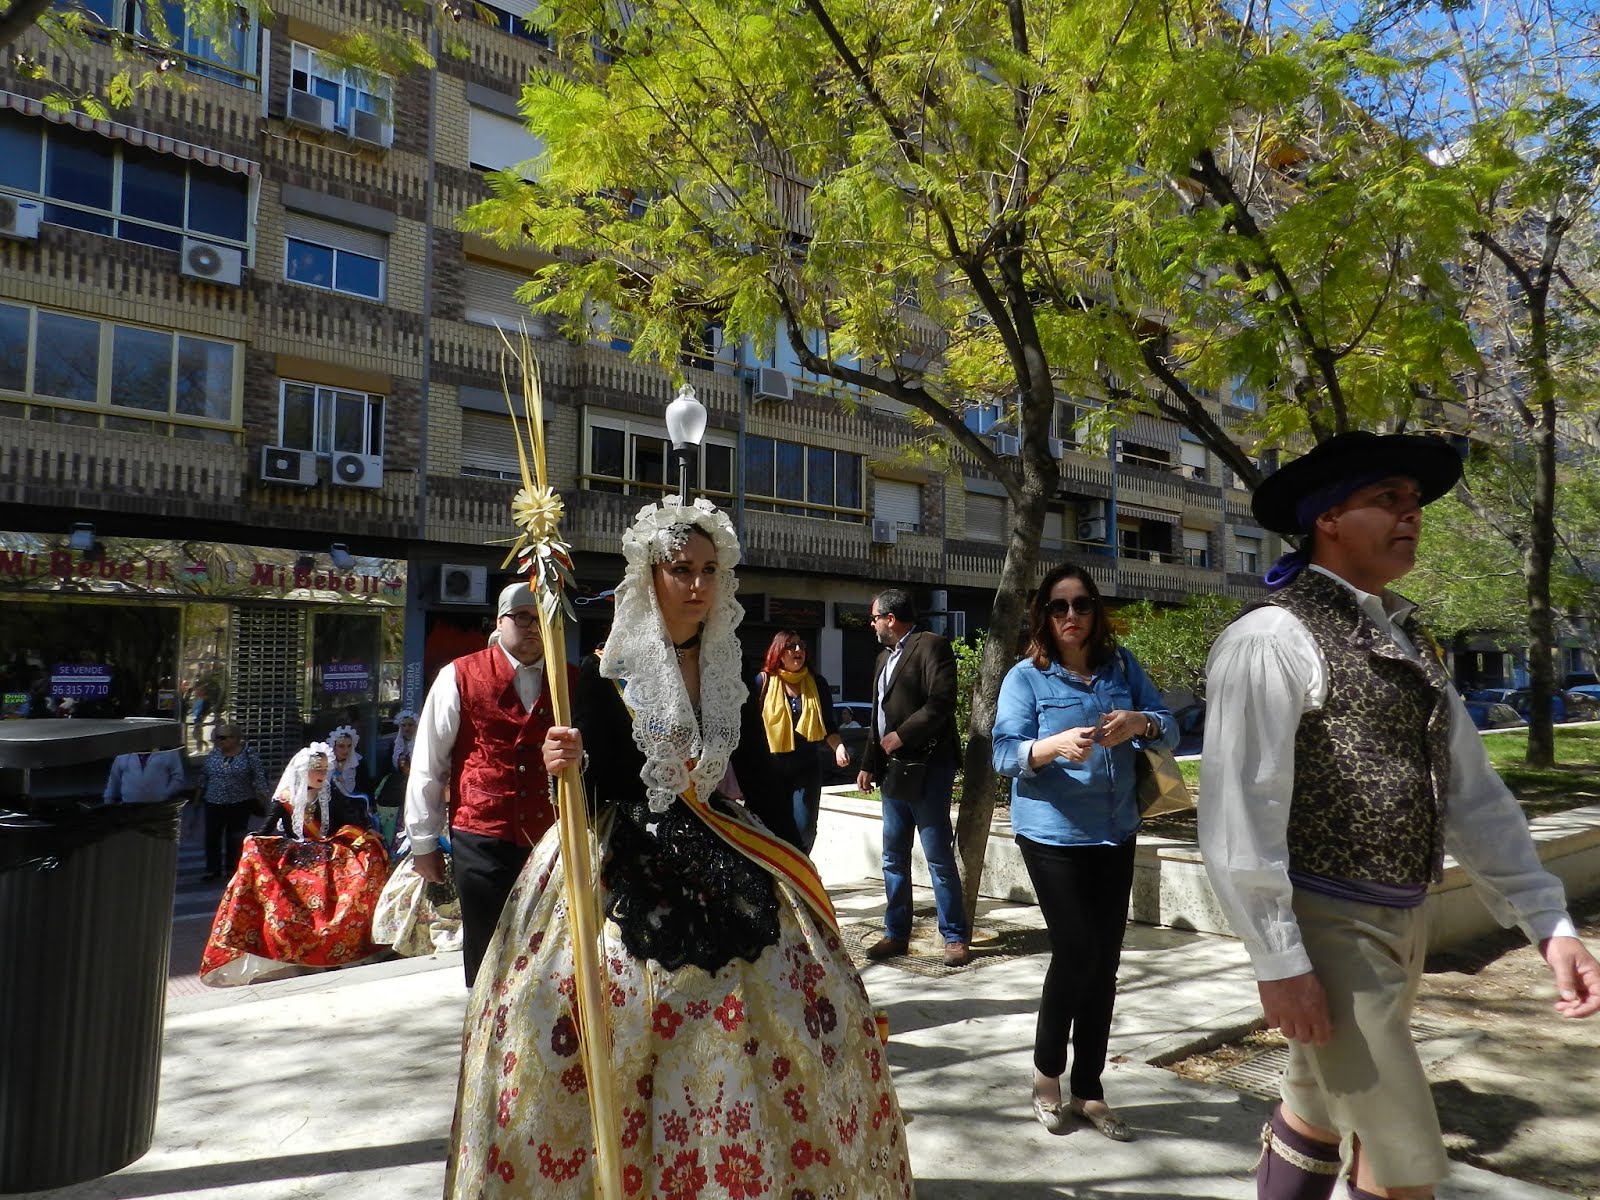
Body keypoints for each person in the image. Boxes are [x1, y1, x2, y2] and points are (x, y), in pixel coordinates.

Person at [445, 498, 909, 1198]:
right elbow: (597, 786)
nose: (697, 583)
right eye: (680, 569)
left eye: (708, 570)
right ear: (650, 575)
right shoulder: (611, 674)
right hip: (625, 854)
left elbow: (754, 777)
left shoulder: (732, 670)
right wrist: (564, 760)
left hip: (726, 841)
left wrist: (796, 865)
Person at [1198, 431, 1600, 1200]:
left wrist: (1548, 924)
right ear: (1328, 519)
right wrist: (1281, 964)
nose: (1411, 515)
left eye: (1414, 502)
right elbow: (1238, 816)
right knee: (1406, 1160)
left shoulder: (1409, 642)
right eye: (1388, 499)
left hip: (1400, 923)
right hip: (1328, 929)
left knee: (1314, 1109)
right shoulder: (1271, 639)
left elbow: (1475, 797)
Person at [992, 564, 1176, 1141]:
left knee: (1106, 962)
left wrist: (1139, 721)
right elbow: (1002, 753)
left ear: (1096, 611)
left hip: (1115, 831)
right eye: (1058, 606)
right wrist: (1050, 747)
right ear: (1043, 616)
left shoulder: (1120, 669)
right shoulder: (1026, 677)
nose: (1071, 616)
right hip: (1050, 834)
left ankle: (1090, 1090)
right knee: (1077, 953)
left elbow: (1168, 726)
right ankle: (1048, 1075)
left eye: (1082, 605)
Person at [404, 581, 571, 986]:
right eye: (522, 617)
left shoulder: (570, 679)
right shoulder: (458, 676)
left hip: (552, 838)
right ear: (501, 621)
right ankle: (485, 1039)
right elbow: (429, 762)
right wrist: (423, 843)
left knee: (550, 953)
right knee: (488, 955)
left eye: (543, 618)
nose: (533, 627)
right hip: (481, 837)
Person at [199, 741, 390, 986]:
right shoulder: (285, 799)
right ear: (302, 771)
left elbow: (350, 820)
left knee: (355, 875)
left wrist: (367, 834)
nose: (322, 774)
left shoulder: (330, 794)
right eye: (316, 769)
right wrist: (252, 841)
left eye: (324, 769)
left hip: (329, 853)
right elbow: (265, 830)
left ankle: (343, 945)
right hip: (294, 855)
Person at [857, 587, 970, 967]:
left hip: (929, 767)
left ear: (891, 618)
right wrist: (868, 762)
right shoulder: (880, 659)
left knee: (937, 855)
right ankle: (896, 933)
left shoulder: (931, 646)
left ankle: (954, 937)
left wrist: (902, 735)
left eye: (874, 617)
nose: (872, 624)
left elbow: (941, 702)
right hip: (892, 771)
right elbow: (877, 717)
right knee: (893, 856)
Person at [754, 629, 850, 853]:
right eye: (791, 646)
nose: (798, 650)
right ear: (779, 651)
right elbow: (751, 728)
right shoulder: (763, 682)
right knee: (769, 829)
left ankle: (799, 877)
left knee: (804, 829)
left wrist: (839, 747)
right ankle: (773, 881)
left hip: (806, 767)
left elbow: (828, 726)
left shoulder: (817, 683)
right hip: (770, 769)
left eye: (801, 646)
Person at [194, 723, 268, 882]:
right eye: (217, 738)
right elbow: (204, 776)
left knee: (234, 836)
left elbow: (259, 776)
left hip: (239, 802)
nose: (219, 741)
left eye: (223, 737)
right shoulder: (214, 754)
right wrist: (198, 798)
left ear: (235, 738)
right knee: (212, 836)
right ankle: (212, 869)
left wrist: (263, 797)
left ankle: (231, 869)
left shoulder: (248, 754)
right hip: (214, 802)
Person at [103, 747, 186, 805]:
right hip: (129, 808)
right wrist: (108, 800)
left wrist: (165, 793)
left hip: (159, 808)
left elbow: (177, 776)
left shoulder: (168, 751)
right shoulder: (124, 753)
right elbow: (114, 778)